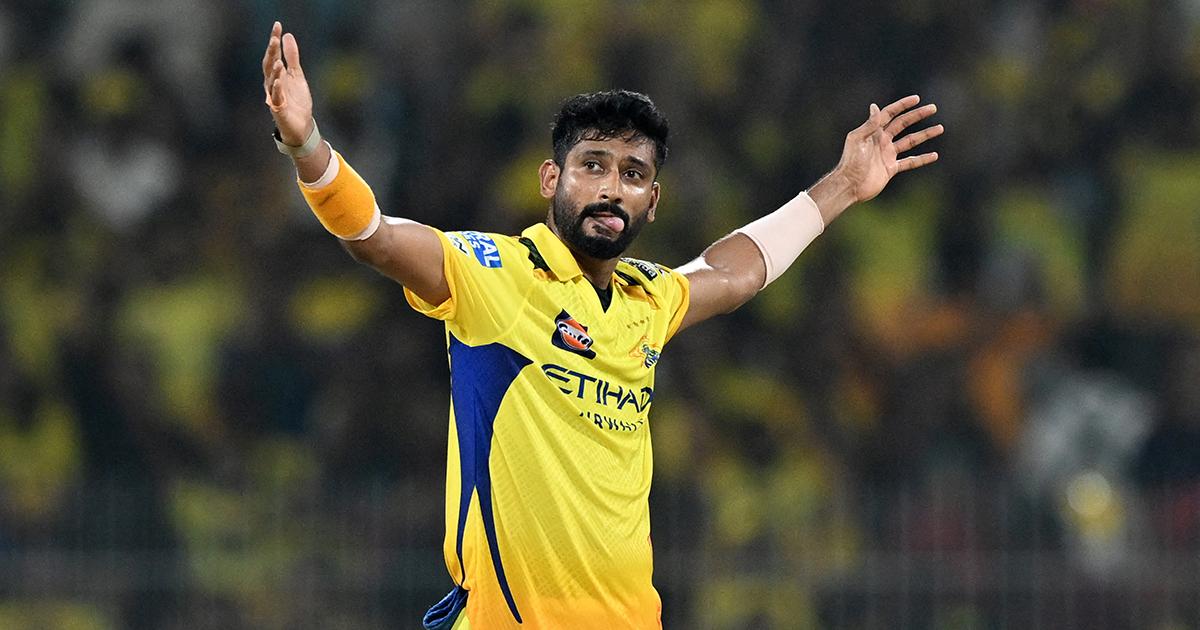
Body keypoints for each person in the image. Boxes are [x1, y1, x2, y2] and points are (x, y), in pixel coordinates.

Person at [262, 21, 942, 630]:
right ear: (550, 179)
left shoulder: (648, 300)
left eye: (634, 174)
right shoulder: (498, 275)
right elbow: (377, 239)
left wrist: (843, 185)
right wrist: (307, 145)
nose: (612, 188)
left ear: (653, 200)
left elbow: (734, 272)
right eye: (593, 166)